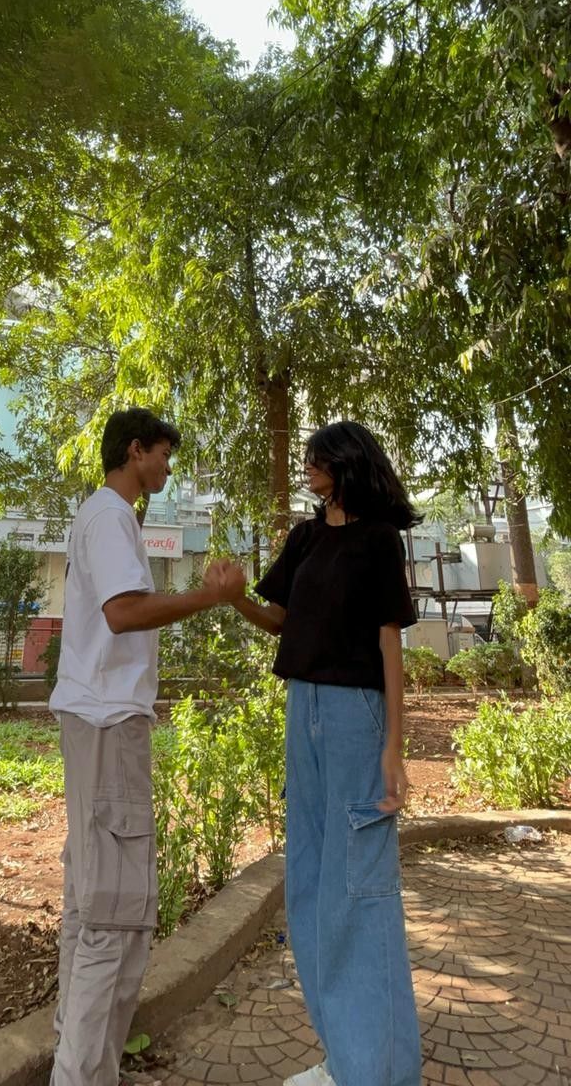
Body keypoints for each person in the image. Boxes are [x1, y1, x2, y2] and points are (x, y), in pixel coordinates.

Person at [48, 407, 245, 1086]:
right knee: (113, 916)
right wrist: (210, 596)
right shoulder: (108, 516)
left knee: (90, 907)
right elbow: (124, 612)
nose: (166, 467)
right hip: (107, 727)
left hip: (95, 725)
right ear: (135, 452)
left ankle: (75, 1063)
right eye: (162, 454)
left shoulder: (109, 518)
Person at [225, 421, 422, 1086]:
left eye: (318, 458)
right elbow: (279, 620)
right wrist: (232, 600)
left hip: (354, 715)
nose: (307, 466)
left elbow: (390, 647)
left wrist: (396, 746)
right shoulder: (307, 537)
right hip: (301, 708)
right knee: (310, 886)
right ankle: (348, 1061)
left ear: (346, 463)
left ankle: (382, 1071)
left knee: (359, 890)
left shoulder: (377, 541)